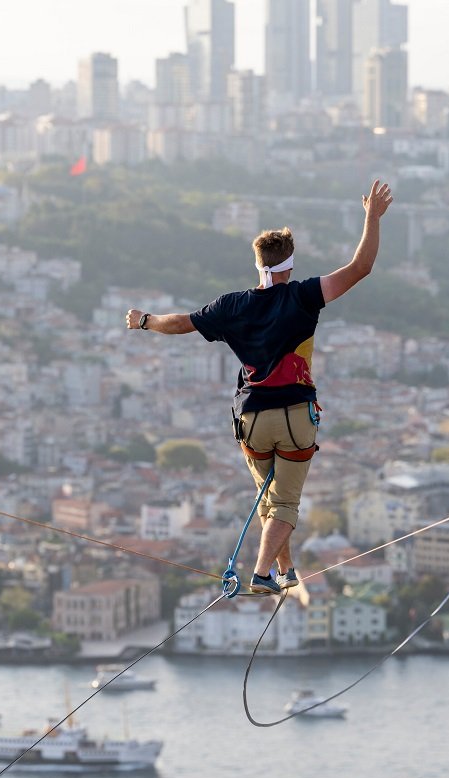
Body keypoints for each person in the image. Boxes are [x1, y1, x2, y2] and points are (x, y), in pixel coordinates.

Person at [125, 180, 393, 594]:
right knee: (285, 503)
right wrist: (371, 218)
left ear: (258, 263)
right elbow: (361, 267)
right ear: (289, 264)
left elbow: (179, 323)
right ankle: (264, 571)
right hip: (293, 416)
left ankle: (284, 572)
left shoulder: (232, 306)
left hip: (250, 418)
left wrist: (144, 320)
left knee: (269, 501)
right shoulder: (303, 296)